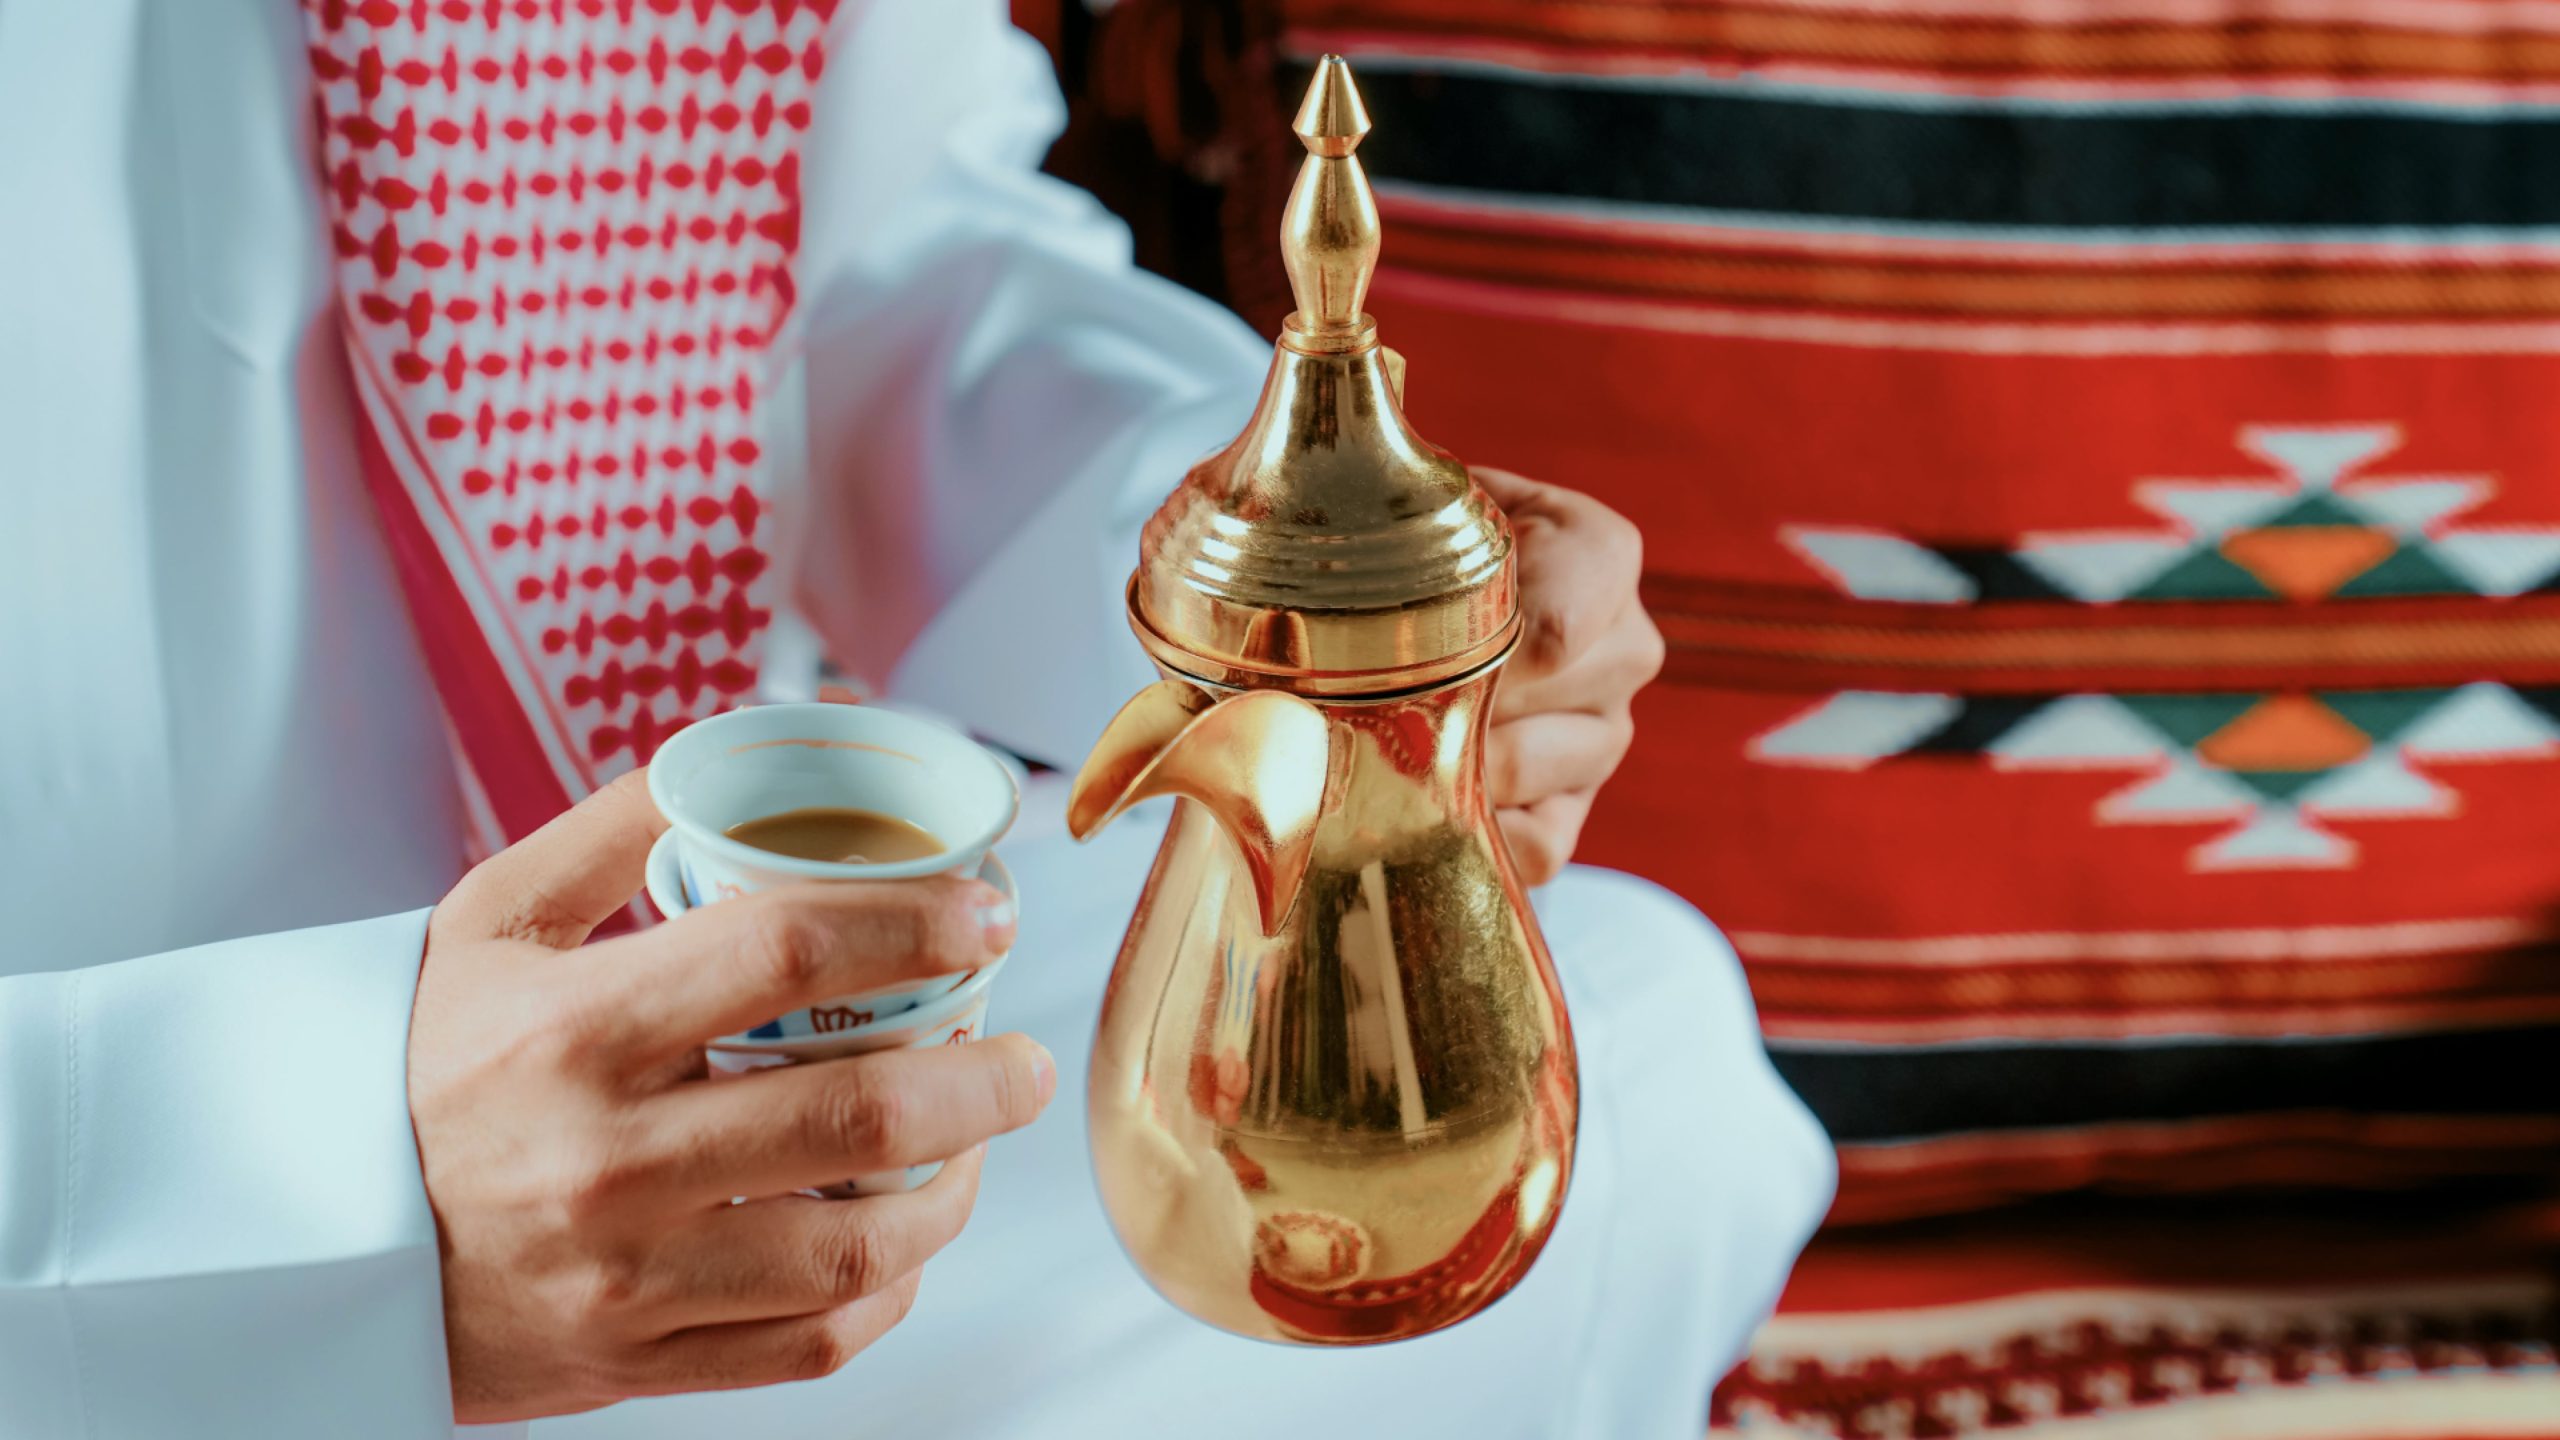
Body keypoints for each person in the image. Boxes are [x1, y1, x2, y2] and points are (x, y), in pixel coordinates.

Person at [0, 1, 1833, 1437]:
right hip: (108, 1215)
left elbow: (873, 265)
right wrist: (325, 1198)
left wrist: (1265, 580)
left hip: (694, 1086)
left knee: (1641, 1062)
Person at [1050, 0, 2560, 1432]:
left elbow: (936, 269)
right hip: (955, 946)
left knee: (1670, 1049)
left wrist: (1280, 583)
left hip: (1091, 764)